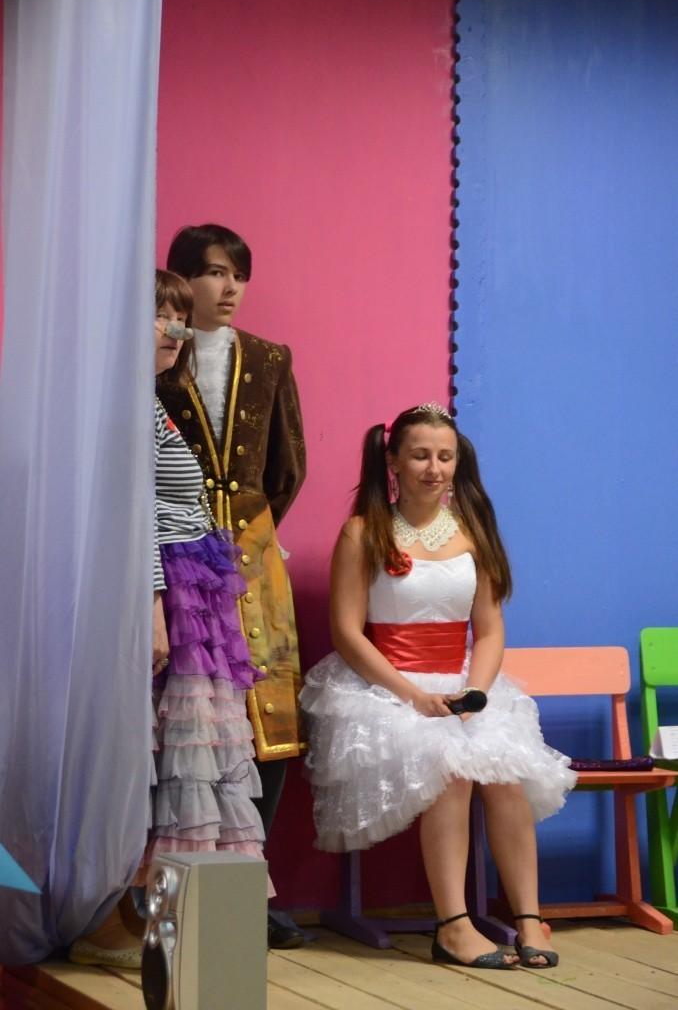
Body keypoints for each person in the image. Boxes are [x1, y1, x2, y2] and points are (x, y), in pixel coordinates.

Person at [300, 402, 575, 970]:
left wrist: (475, 695)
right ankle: (453, 925)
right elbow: (347, 633)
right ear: (393, 462)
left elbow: (490, 629)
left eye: (445, 457)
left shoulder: (473, 534)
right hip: (384, 689)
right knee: (450, 768)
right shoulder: (363, 532)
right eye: (421, 455)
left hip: (464, 685)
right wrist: (415, 696)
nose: (434, 468)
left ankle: (528, 917)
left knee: (503, 772)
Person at [69, 271, 266, 969]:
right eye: (161, 316)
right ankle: (107, 918)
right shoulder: (121, 406)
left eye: (180, 317)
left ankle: (167, 921)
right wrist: (154, 608)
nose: (176, 330)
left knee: (188, 760)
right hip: (165, 598)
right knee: (151, 758)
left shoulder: (150, 402)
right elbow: (133, 514)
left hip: (191, 597)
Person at [158, 225, 306, 948]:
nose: (229, 288)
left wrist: (251, 541)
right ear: (183, 279)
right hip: (175, 559)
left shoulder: (271, 359)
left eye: (238, 275)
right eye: (215, 273)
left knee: (268, 722)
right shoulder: (158, 354)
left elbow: (289, 465)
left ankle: (248, 886)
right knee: (181, 725)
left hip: (251, 559)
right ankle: (172, 888)